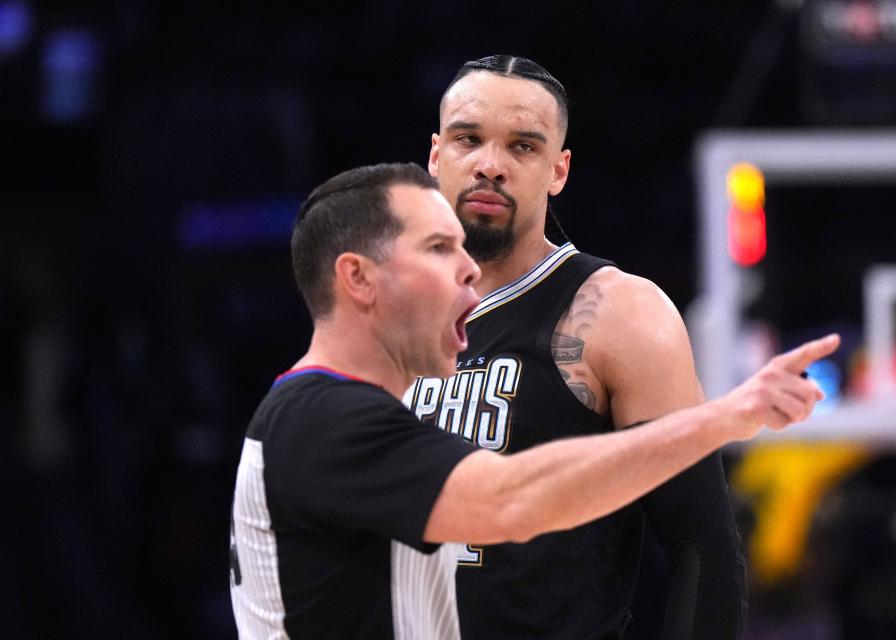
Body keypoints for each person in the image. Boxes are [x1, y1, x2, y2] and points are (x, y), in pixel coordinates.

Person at [229, 161, 838, 639]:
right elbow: (514, 499)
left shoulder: (342, 414)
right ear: (358, 278)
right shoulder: (324, 420)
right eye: (438, 250)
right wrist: (722, 418)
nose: (467, 269)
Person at [407, 54, 746, 639]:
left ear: (558, 170)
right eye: (469, 139)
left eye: (522, 147)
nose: (491, 165)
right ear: (436, 155)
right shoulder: (384, 312)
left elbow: (703, 548)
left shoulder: (618, 315)